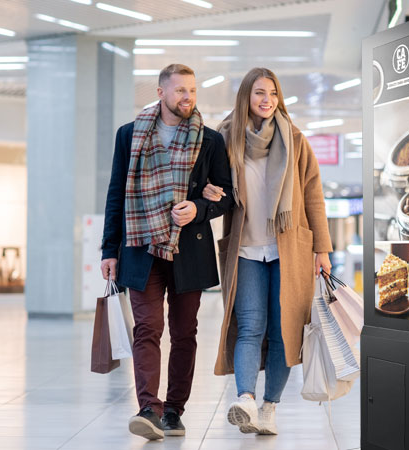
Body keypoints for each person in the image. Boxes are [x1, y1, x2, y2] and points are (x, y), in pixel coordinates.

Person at [100, 63, 233, 440]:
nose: (188, 97)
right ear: (160, 93)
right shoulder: (129, 135)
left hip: (188, 248)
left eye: (192, 90)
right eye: (180, 91)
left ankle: (174, 411)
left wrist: (199, 209)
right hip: (141, 246)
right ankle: (149, 408)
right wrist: (109, 249)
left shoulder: (210, 140)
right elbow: (116, 194)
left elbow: (227, 195)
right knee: (147, 327)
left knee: (184, 331)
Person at [203, 67, 333, 435]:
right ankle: (245, 398)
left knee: (283, 331)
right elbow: (212, 187)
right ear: (246, 95)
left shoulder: (294, 139)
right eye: (260, 92)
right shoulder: (224, 139)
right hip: (245, 249)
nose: (267, 100)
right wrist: (209, 192)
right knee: (249, 326)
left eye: (273, 93)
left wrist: (322, 249)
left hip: (289, 250)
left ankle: (269, 407)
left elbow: (313, 196)